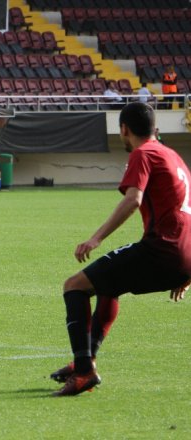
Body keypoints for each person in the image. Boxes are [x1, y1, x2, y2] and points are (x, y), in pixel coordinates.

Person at [50, 102, 191, 397]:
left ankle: (84, 371)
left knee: (74, 286)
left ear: (124, 129)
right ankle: (86, 362)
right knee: (108, 286)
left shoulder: (144, 153)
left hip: (161, 251)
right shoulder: (173, 156)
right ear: (156, 128)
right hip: (183, 255)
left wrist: (96, 238)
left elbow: (133, 199)